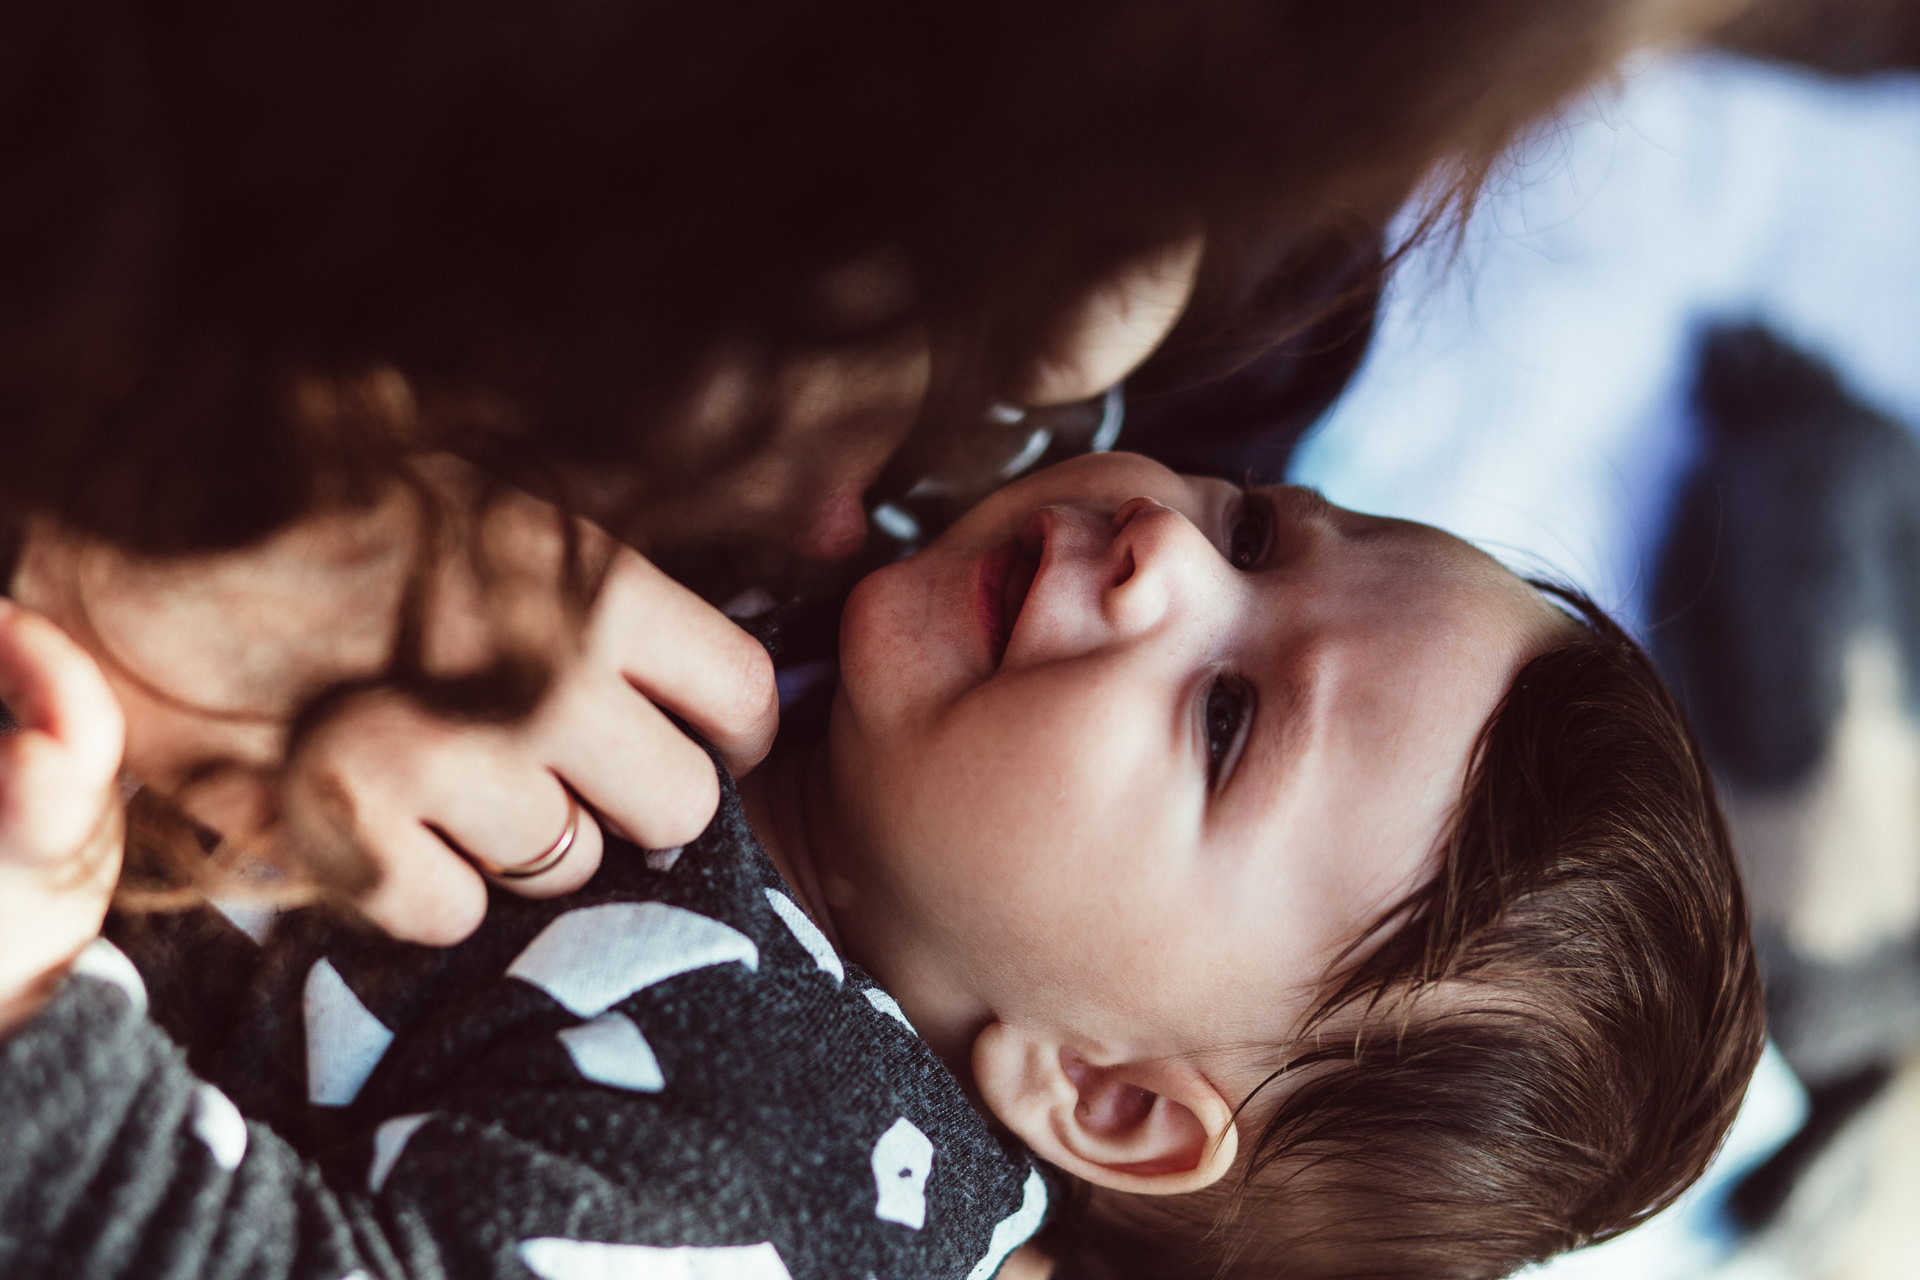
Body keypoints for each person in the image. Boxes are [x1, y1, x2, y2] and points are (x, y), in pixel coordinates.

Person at [0, 0, 1706, 943]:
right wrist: (137, 518)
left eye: (1228, 715)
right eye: (898, 274)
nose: (1152, 530)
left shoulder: (1251, 321)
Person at [0, 452, 1765, 1280]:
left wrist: (29, 1005)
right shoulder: (892, 609)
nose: (1160, 553)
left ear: (1105, 1099)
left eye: (1226, 721)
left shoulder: (800, 1172)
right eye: (1259, 525)